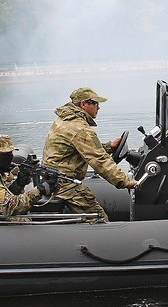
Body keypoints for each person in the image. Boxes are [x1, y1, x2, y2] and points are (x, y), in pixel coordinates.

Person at [42, 87, 137, 221]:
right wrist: (125, 182)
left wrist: (109, 146)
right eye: (95, 103)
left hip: (53, 179)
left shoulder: (64, 120)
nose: (98, 107)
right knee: (99, 219)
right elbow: (99, 159)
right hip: (64, 184)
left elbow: (85, 148)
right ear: (83, 104)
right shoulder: (79, 128)